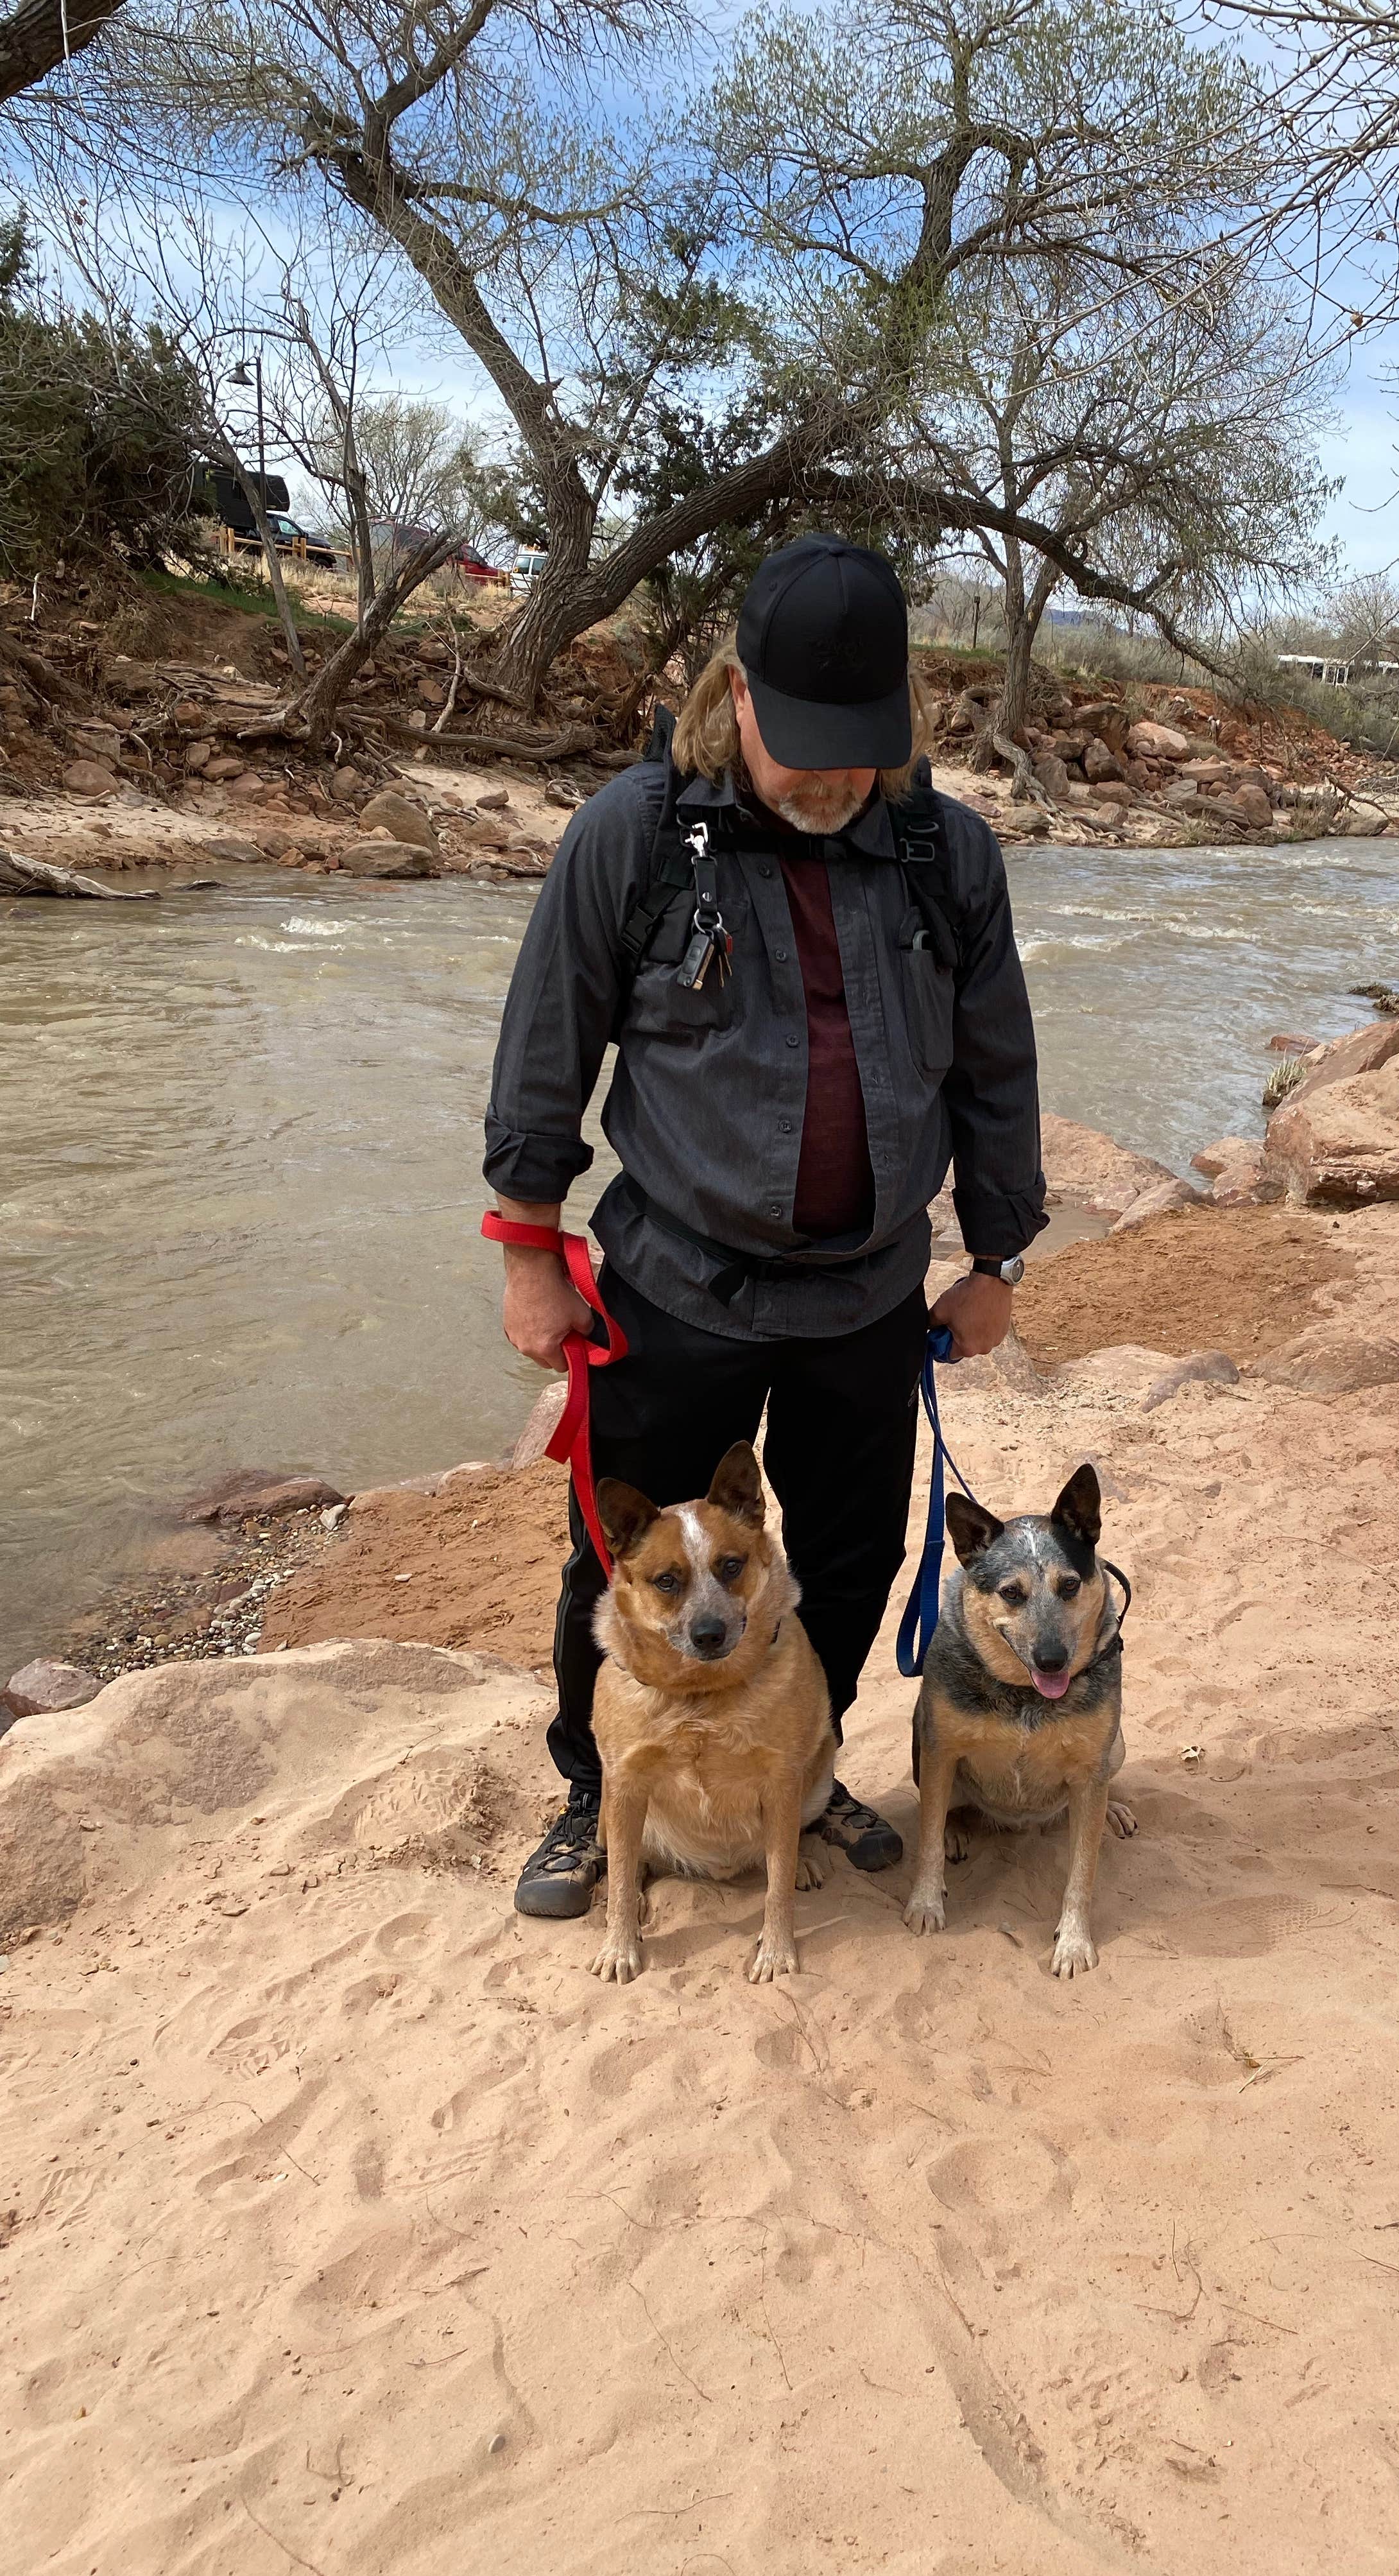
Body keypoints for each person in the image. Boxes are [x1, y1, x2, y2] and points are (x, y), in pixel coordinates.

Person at [483, 533, 1047, 1917]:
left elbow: (996, 1062)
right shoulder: (634, 834)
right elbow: (547, 1045)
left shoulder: (945, 852)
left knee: (850, 1557)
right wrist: (527, 1249)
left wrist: (998, 1255)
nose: (830, 774)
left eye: (859, 745)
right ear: (735, 694)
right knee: (622, 1562)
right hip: (676, 1288)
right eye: (801, 743)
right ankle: (591, 1784)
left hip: (868, 1299)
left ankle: (800, 1764)